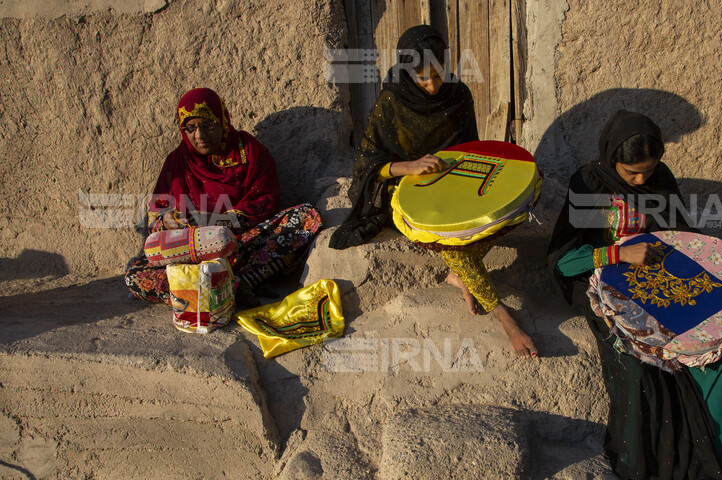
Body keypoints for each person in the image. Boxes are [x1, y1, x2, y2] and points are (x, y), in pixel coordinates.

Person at [547, 110, 722, 480]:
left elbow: (681, 234)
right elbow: (564, 261)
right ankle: (642, 476)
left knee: (718, 352)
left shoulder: (661, 179)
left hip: (659, 282)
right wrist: (619, 252)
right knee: (638, 366)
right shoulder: (590, 184)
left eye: (648, 171)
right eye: (632, 173)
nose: (641, 181)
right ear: (612, 157)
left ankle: (706, 479)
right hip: (605, 287)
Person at [329, 25, 537, 358]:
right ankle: (503, 316)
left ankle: (459, 277)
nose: (431, 85)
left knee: (505, 214)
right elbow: (367, 163)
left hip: (452, 184)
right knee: (451, 246)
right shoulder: (391, 101)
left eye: (437, 76)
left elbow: (471, 152)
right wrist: (408, 166)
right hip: (404, 187)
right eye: (422, 79)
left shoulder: (459, 94)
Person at [124, 88, 323, 307]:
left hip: (240, 247)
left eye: (207, 125)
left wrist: (218, 220)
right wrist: (167, 221)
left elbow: (265, 202)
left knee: (306, 217)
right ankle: (228, 289)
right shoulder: (177, 162)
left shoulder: (249, 152)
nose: (199, 136)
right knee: (135, 275)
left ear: (222, 120)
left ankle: (224, 287)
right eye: (190, 128)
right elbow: (156, 217)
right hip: (192, 255)